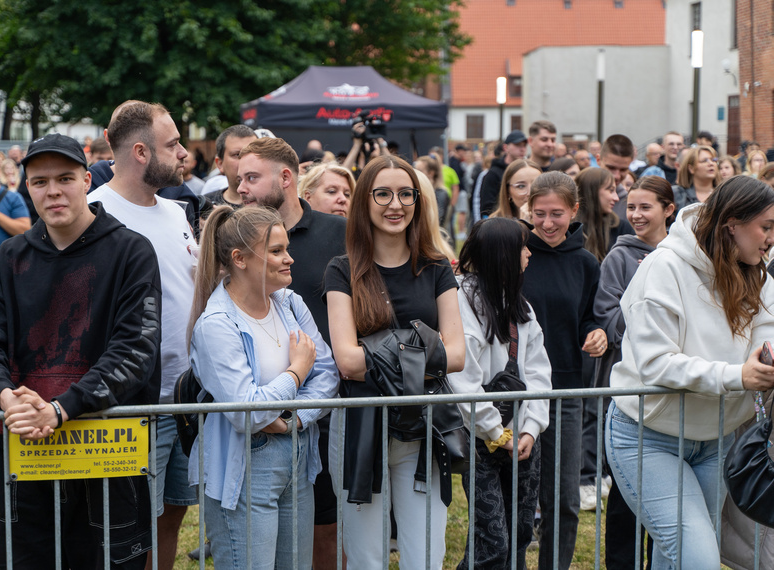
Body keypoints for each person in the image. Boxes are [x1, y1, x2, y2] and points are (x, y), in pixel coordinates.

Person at [0, 133, 161, 569]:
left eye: (65, 178)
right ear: (27, 188)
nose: (53, 191)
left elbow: (135, 349)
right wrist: (7, 398)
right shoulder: (7, 259)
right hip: (25, 456)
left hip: (108, 455)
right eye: (39, 182)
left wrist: (60, 409)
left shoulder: (131, 252)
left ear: (87, 180)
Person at [606, 175, 774, 569]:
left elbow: (765, 342)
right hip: (646, 436)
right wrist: (738, 376)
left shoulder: (758, 274)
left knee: (674, 555)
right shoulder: (664, 267)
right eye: (766, 227)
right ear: (732, 223)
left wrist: (766, 363)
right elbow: (655, 363)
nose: (771, 238)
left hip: (714, 438)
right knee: (697, 556)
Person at [324, 155, 465, 569]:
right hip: (359, 426)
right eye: (382, 193)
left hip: (424, 426)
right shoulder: (343, 270)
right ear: (365, 201)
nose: (395, 204)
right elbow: (347, 361)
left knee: (426, 556)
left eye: (406, 193)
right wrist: (423, 344)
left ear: (419, 201)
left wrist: (379, 350)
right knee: (366, 558)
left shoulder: (437, 267)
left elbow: (456, 354)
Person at [187, 205, 338, 568]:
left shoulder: (289, 304)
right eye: (275, 251)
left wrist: (295, 421)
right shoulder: (216, 325)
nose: (289, 259)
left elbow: (329, 374)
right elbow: (246, 412)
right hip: (246, 466)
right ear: (239, 259)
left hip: (299, 454)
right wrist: (296, 372)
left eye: (286, 248)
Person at [88, 101, 198, 569]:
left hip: (187, 396)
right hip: (134, 402)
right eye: (172, 145)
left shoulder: (176, 212)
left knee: (174, 511)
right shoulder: (94, 216)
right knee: (132, 524)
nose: (183, 153)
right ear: (139, 152)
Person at [236, 137, 347, 569]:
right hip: (254, 408)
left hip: (325, 405)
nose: (241, 187)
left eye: (251, 178)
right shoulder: (238, 236)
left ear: (285, 178)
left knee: (324, 524)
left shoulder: (337, 233)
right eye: (239, 177)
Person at [449, 217, 551, 570]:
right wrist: (496, 433)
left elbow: (538, 372)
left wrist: (530, 430)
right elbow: (464, 379)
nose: (528, 253)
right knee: (491, 542)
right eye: (522, 246)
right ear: (502, 253)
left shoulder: (520, 305)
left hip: (522, 437)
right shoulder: (462, 301)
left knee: (521, 531)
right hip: (481, 438)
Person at [522, 171, 606, 570]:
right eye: (539, 214)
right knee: (516, 496)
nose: (548, 223)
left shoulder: (586, 262)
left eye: (557, 214)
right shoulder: (516, 253)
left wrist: (595, 334)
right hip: (515, 391)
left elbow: (588, 317)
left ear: (574, 210)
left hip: (566, 391)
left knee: (563, 499)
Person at [595, 175, 675, 568]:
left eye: (646, 207)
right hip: (630, 388)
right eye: (632, 207)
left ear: (668, 210)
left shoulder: (682, 256)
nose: (637, 215)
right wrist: (647, 324)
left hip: (671, 389)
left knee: (664, 499)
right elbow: (607, 318)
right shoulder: (620, 257)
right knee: (627, 493)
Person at [574, 167, 633, 263]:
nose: (616, 198)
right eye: (611, 190)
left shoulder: (621, 229)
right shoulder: (570, 231)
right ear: (592, 192)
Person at [200, 124, 258, 213]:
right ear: (220, 164)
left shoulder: (273, 203)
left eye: (252, 153)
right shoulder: (204, 207)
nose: (246, 160)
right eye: (237, 155)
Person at [476, 130, 529, 219]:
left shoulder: (527, 170)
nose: (522, 149)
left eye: (524, 145)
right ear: (505, 147)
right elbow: (486, 207)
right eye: (517, 145)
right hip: (500, 224)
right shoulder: (493, 173)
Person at [672, 145, 721, 210]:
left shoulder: (724, 194)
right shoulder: (677, 194)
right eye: (704, 161)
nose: (711, 163)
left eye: (714, 160)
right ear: (691, 168)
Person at [414, 155, 450, 225]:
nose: (416, 173)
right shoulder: (417, 190)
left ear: (431, 173)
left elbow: (438, 219)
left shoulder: (440, 193)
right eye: (415, 169)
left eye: (420, 170)